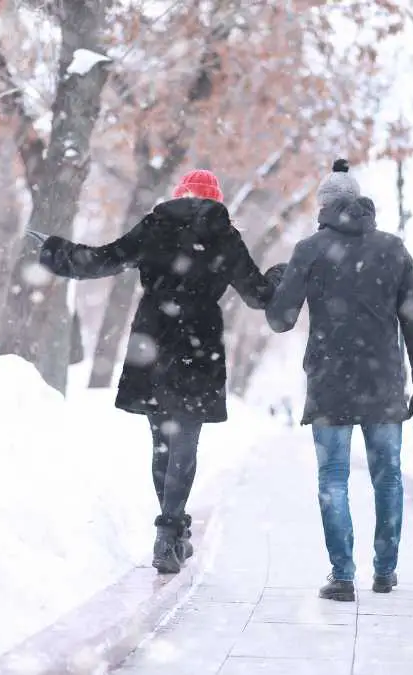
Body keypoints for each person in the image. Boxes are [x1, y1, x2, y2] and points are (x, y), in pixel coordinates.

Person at [36, 169, 281, 574]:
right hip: (199, 342)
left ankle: (172, 534)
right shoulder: (225, 235)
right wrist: (279, 276)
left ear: (179, 195)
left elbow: (101, 260)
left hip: (153, 338)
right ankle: (170, 533)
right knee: (184, 440)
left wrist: (56, 251)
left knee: (162, 442)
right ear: (217, 199)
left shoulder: (155, 226)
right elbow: (258, 296)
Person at [265, 158, 413, 602]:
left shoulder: (309, 250)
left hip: (330, 383)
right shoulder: (393, 249)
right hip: (383, 381)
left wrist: (278, 283)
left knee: (333, 478)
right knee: (388, 477)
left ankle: (342, 576)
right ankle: (385, 571)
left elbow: (281, 320)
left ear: (323, 206)